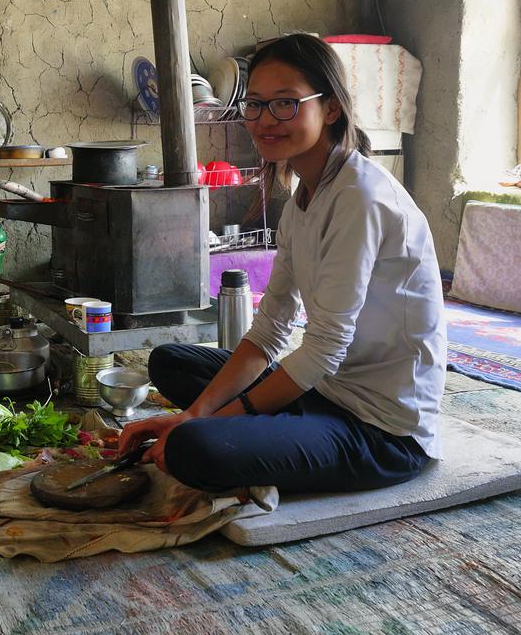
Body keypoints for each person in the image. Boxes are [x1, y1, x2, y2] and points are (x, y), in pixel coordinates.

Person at [119, 33, 445, 495]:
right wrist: (195, 414)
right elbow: (271, 329)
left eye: (285, 104)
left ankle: (242, 432)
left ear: (330, 108)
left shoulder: (361, 199)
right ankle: (252, 424)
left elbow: (323, 351)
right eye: (255, 104)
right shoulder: (303, 200)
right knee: (169, 362)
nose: (264, 120)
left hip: (380, 429)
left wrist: (201, 427)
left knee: (192, 450)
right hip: (323, 391)